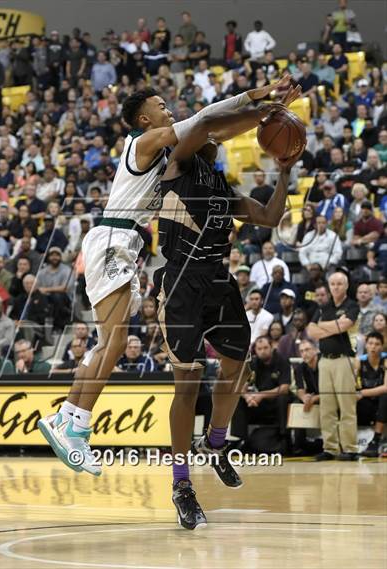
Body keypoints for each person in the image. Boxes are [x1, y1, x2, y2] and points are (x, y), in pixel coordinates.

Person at [38, 78, 299, 476]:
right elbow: (207, 120)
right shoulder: (144, 143)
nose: (169, 108)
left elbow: (216, 131)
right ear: (145, 117)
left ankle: (66, 418)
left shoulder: (169, 157)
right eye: (162, 105)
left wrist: (265, 113)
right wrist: (258, 97)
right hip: (115, 237)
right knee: (116, 340)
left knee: (102, 345)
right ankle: (77, 427)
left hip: (124, 243)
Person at [152, 92, 301, 529]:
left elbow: (271, 217)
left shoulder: (221, 186)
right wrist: (258, 107)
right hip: (180, 282)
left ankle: (214, 443)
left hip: (218, 280)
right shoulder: (176, 162)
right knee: (187, 383)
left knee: (238, 366)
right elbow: (204, 124)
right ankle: (182, 484)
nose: (214, 139)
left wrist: (285, 171)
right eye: (210, 135)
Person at [307, 271, 360, 460]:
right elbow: (311, 331)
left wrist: (325, 327)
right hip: (325, 361)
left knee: (346, 406)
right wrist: (334, 325)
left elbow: (345, 325)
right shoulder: (323, 307)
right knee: (327, 407)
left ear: (346, 286)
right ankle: (330, 448)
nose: (336, 287)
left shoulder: (352, 305)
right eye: (333, 284)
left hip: (344, 360)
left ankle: (350, 449)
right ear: (329, 287)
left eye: (339, 284)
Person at [231, 335, 291, 448]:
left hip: (275, 402)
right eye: (259, 349)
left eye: (265, 348)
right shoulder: (253, 362)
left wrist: (261, 395)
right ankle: (240, 440)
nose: (262, 351)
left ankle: (284, 439)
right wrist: (247, 397)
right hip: (258, 403)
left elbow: (284, 388)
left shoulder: (282, 360)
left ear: (272, 346)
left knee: (283, 398)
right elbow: (240, 386)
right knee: (237, 399)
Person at [356, 332, 387, 457]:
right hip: (365, 404)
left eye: (377, 344)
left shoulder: (385, 361)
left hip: (381, 404)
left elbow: (386, 388)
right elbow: (353, 385)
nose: (373, 347)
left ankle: (375, 440)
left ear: (382, 346)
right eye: (370, 343)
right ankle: (345, 443)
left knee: (386, 397)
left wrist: (362, 392)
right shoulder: (359, 362)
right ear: (366, 345)